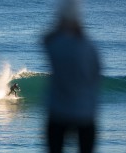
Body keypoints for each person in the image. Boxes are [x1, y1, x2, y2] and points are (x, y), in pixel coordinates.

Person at [44, 0, 101, 153]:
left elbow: (46, 37)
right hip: (85, 112)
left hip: (58, 112)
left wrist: (61, 21)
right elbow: (96, 75)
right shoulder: (90, 47)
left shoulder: (54, 44)